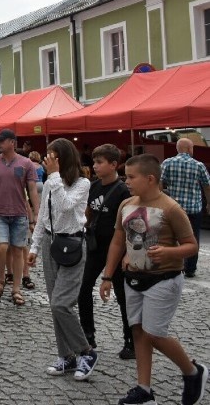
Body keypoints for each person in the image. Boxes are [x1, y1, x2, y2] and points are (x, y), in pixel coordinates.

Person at [100, 154, 207, 405]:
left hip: (164, 279)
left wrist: (169, 252)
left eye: (131, 177)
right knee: (137, 331)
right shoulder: (125, 204)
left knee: (155, 333)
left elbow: (192, 246)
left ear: (150, 179)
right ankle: (144, 390)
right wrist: (107, 274)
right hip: (132, 278)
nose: (127, 181)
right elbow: (118, 240)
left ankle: (193, 371)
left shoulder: (171, 208)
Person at [27, 138, 95, 380]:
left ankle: (86, 351)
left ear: (63, 158)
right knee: (55, 305)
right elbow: (43, 216)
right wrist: (34, 246)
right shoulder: (50, 183)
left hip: (74, 244)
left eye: (52, 156)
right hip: (50, 243)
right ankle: (66, 356)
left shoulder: (83, 183)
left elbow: (66, 206)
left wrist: (54, 177)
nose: (47, 161)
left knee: (61, 303)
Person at [78, 144, 133, 360]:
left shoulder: (123, 191)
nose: (95, 166)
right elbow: (89, 212)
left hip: (117, 249)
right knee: (83, 290)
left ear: (114, 165)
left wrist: (127, 253)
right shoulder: (93, 186)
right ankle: (88, 337)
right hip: (95, 247)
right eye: (94, 162)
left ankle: (130, 340)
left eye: (100, 162)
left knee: (122, 295)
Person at [0, 128, 39, 305]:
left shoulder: (26, 163)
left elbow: (32, 190)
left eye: (2, 140)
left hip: (19, 213)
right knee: (1, 247)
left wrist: (36, 213)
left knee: (18, 250)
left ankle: (16, 288)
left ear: (12, 142)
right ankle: (1, 278)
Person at [160, 138, 210, 278]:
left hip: (173, 209)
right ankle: (190, 268)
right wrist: (209, 203)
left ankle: (173, 265)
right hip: (194, 208)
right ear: (189, 149)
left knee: (171, 237)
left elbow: (159, 182)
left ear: (177, 149)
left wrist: (160, 197)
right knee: (193, 238)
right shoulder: (198, 165)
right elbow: (207, 186)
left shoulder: (167, 163)